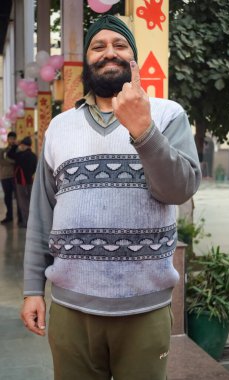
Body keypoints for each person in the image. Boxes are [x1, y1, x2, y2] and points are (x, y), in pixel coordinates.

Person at [21, 15, 201, 380]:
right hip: (71, 307)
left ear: (134, 58)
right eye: (98, 46)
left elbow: (179, 190)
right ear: (86, 60)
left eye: (119, 46)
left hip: (144, 307)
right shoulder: (59, 126)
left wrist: (143, 130)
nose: (109, 53)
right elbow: (42, 213)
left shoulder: (167, 115)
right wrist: (31, 289)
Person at [8, 136, 37, 228]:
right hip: (30, 181)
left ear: (24, 145)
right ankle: (33, 222)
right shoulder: (33, 155)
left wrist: (14, 146)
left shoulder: (21, 155)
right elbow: (34, 169)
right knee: (30, 201)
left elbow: (9, 154)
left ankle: (27, 223)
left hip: (21, 182)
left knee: (23, 202)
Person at [0, 131, 22, 224]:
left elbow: (17, 160)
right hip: (4, 176)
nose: (12, 140)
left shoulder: (18, 150)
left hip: (15, 177)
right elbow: (2, 162)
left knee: (18, 197)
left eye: (13, 139)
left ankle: (21, 217)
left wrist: (7, 160)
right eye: (10, 139)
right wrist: (11, 161)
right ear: (8, 139)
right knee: (7, 197)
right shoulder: (3, 150)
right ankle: (9, 216)